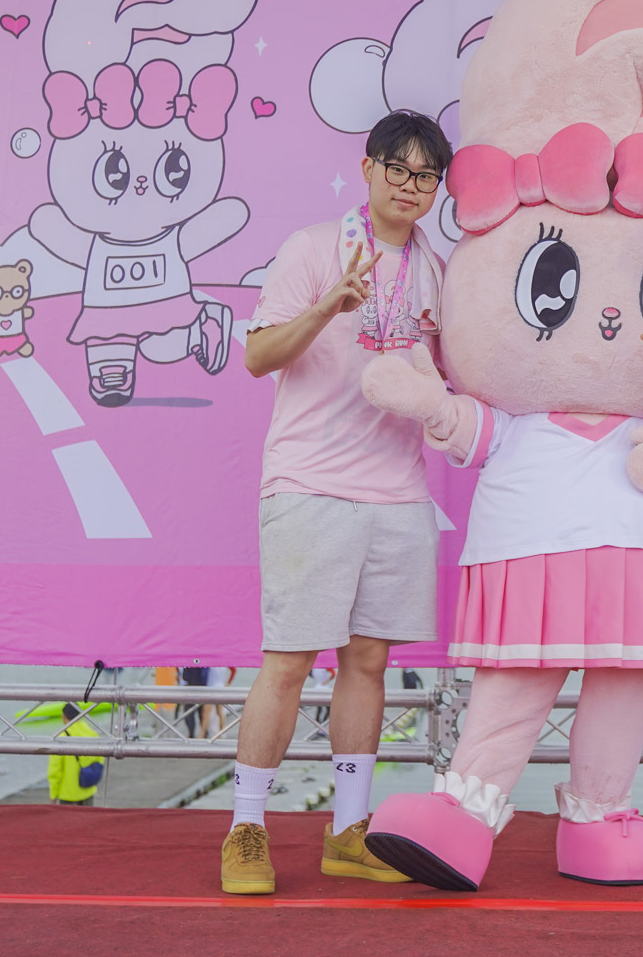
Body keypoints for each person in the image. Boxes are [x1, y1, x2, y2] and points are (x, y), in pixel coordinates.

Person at [223, 109, 453, 896]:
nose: (410, 186)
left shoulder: (436, 269)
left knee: (369, 662)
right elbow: (258, 356)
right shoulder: (314, 247)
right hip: (311, 483)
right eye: (398, 169)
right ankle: (246, 829)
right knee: (288, 662)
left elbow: (447, 373)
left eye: (426, 176)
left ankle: (349, 830)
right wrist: (329, 305)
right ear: (368, 168)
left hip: (399, 490)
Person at [47, 702, 104, 806]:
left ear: (63, 717)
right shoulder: (92, 734)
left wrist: (53, 794)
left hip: (68, 794)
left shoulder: (61, 738)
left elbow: (55, 771)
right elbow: (99, 760)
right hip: (88, 789)